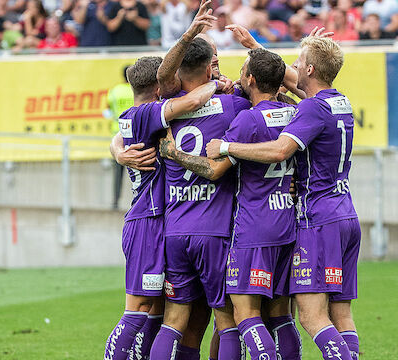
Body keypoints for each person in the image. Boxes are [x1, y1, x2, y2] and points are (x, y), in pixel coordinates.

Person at [206, 34, 361, 360]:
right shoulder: (338, 100)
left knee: (311, 316)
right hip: (345, 212)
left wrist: (226, 147)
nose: (293, 68)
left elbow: (280, 150)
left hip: (317, 218)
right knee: (340, 315)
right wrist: (254, 45)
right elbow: (289, 80)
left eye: (298, 62)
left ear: (311, 68)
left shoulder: (310, 109)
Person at [160, 47, 303, 360]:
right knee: (278, 313)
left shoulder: (238, 117)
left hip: (246, 228)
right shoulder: (289, 113)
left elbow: (214, 170)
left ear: (250, 78)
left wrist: (173, 153)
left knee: (234, 316)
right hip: (284, 222)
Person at [147, 1, 253, 358]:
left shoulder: (168, 107)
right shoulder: (233, 105)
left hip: (175, 231)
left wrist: (191, 32)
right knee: (227, 319)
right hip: (215, 231)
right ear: (210, 67)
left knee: (176, 319)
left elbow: (163, 76)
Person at [105, 55, 223, 360]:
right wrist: (217, 82)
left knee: (156, 312)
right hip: (146, 221)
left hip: (162, 221)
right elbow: (194, 100)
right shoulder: (148, 112)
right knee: (138, 310)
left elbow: (118, 136)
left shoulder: (138, 116)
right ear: (160, 86)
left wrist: (117, 151)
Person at [107, 66, 134, 209]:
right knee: (138, 169)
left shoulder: (115, 91)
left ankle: (115, 201)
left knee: (118, 172)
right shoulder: (136, 89)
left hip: (117, 133)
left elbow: (108, 109)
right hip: (135, 134)